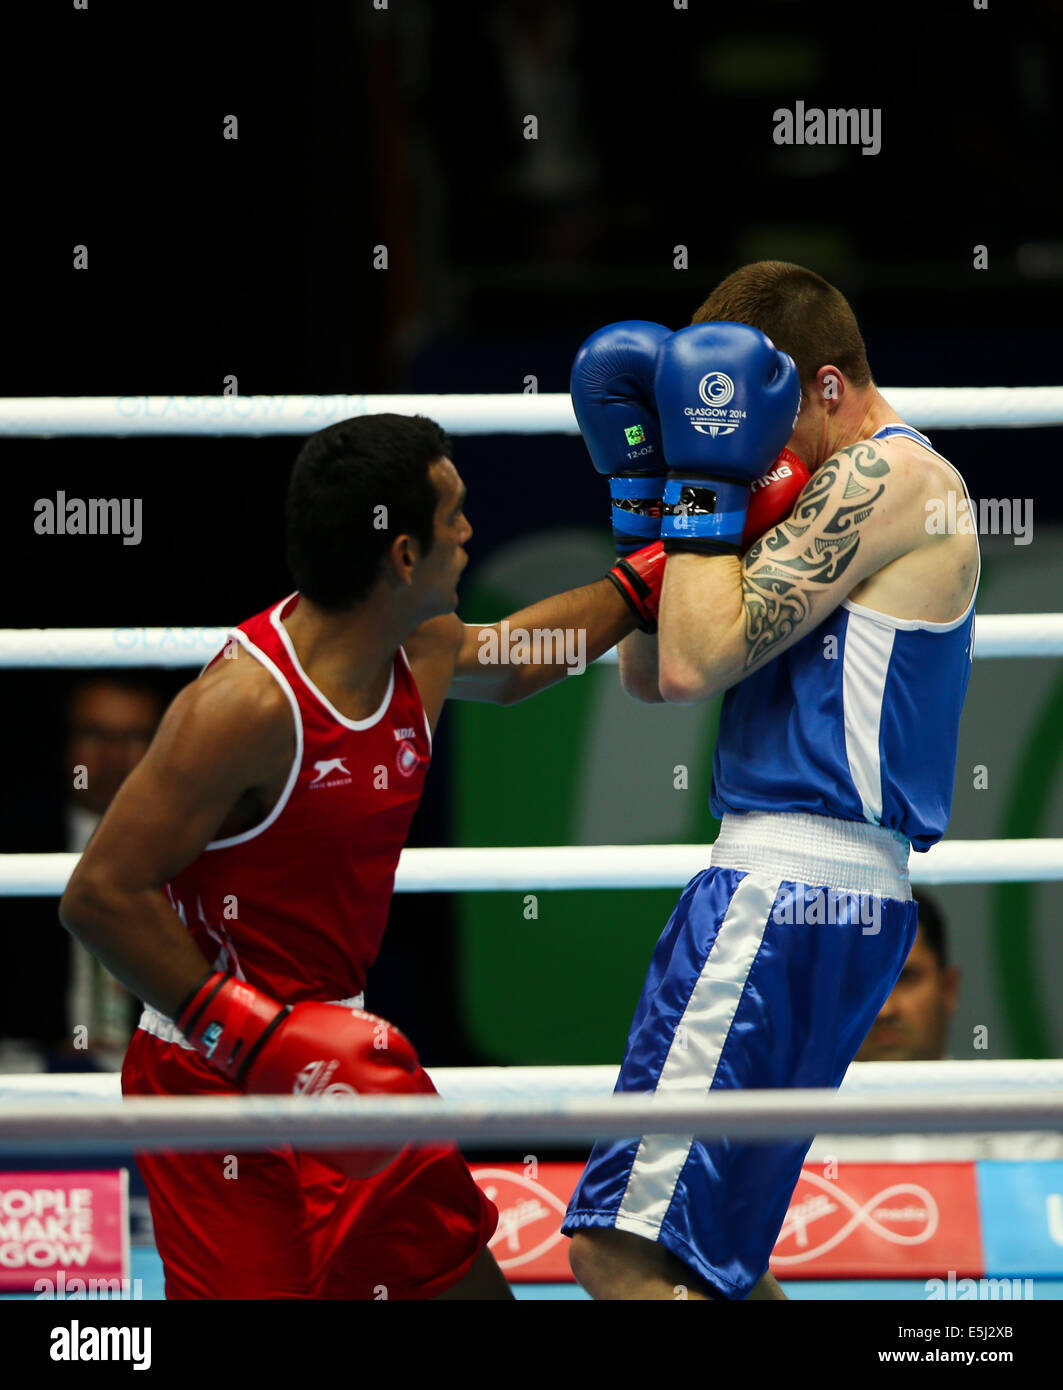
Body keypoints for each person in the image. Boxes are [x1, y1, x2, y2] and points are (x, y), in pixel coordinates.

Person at [58, 411, 665, 1301]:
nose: (469, 531)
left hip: (347, 1064)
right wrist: (252, 1035)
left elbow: (525, 659)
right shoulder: (243, 709)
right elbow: (100, 895)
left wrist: (655, 571)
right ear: (403, 556)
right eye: (452, 513)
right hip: (212, 1079)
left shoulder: (419, 646)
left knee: (462, 1292)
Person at [561, 260, 980, 1301]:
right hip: (809, 893)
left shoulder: (891, 480)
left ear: (823, 387)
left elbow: (699, 661)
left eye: (759, 413)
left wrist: (700, 477)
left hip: (783, 887)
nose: (751, 444)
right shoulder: (821, 485)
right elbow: (652, 674)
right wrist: (646, 498)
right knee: (714, 1265)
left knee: (615, 1251)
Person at [855, 889, 958, 1063]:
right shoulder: (797, 1090)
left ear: (948, 988)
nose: (884, 1010)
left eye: (905, 978)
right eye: (862, 984)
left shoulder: (1005, 1090)